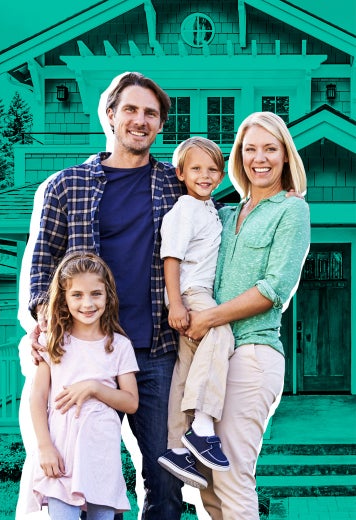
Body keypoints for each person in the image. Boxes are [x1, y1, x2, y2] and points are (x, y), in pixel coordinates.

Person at [26, 72, 184, 519]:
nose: (140, 120)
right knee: (77, 474)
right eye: (130, 109)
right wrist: (45, 326)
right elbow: (41, 272)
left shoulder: (175, 186)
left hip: (155, 352)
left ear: (159, 125)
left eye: (150, 113)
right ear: (110, 115)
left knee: (165, 478)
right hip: (86, 351)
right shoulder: (66, 186)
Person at [185, 112, 310, 519]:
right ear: (238, 157)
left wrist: (210, 318)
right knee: (206, 480)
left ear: (285, 156)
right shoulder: (222, 214)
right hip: (215, 357)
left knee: (233, 474)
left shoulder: (291, 211)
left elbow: (275, 288)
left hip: (253, 353)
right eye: (250, 149)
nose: (260, 158)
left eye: (270, 149)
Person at [27, 252, 139, 520]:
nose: (87, 303)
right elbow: (37, 398)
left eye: (95, 294)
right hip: (61, 454)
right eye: (77, 295)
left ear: (108, 296)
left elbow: (131, 402)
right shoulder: (55, 342)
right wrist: (44, 447)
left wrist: (93, 387)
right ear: (63, 298)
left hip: (101, 455)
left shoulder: (119, 346)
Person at [156, 137, 234, 489]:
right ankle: (202, 425)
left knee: (185, 368)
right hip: (191, 293)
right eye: (196, 169)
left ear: (220, 175)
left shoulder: (209, 209)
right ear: (181, 173)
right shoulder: (186, 208)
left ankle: (176, 447)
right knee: (221, 333)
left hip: (196, 294)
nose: (205, 175)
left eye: (212, 169)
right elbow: (170, 256)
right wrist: (176, 303)